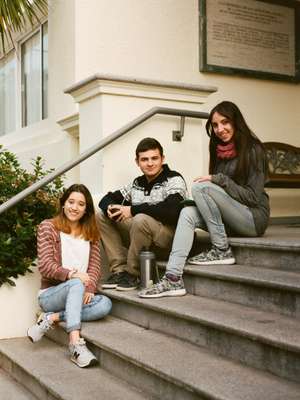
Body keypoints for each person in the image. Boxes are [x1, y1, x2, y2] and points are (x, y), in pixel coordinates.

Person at [139, 101, 270, 298]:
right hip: (230, 219)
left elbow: (252, 197)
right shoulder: (218, 149)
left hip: (252, 218)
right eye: (215, 125)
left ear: (236, 122)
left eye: (225, 122)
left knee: (201, 186)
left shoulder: (254, 150)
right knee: (188, 212)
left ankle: (221, 249)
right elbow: (219, 195)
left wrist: (219, 180)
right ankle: (173, 278)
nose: (220, 129)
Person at [27, 184, 112, 368]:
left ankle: (52, 318)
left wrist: (89, 287)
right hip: (51, 295)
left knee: (105, 304)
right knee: (75, 283)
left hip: (78, 293)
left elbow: (95, 265)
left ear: (86, 209)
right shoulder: (48, 227)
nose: (75, 207)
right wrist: (73, 275)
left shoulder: (91, 232)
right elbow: (46, 266)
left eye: (81, 204)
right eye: (71, 202)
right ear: (63, 204)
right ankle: (75, 343)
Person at [97, 137, 187, 291]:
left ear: (162, 159)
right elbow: (106, 199)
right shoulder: (137, 184)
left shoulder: (174, 179)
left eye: (154, 158)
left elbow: (173, 212)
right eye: (144, 159)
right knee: (101, 215)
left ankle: (133, 274)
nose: (150, 163)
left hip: (168, 240)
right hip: (142, 237)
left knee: (140, 219)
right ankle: (119, 270)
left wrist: (132, 210)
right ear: (137, 162)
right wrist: (111, 208)